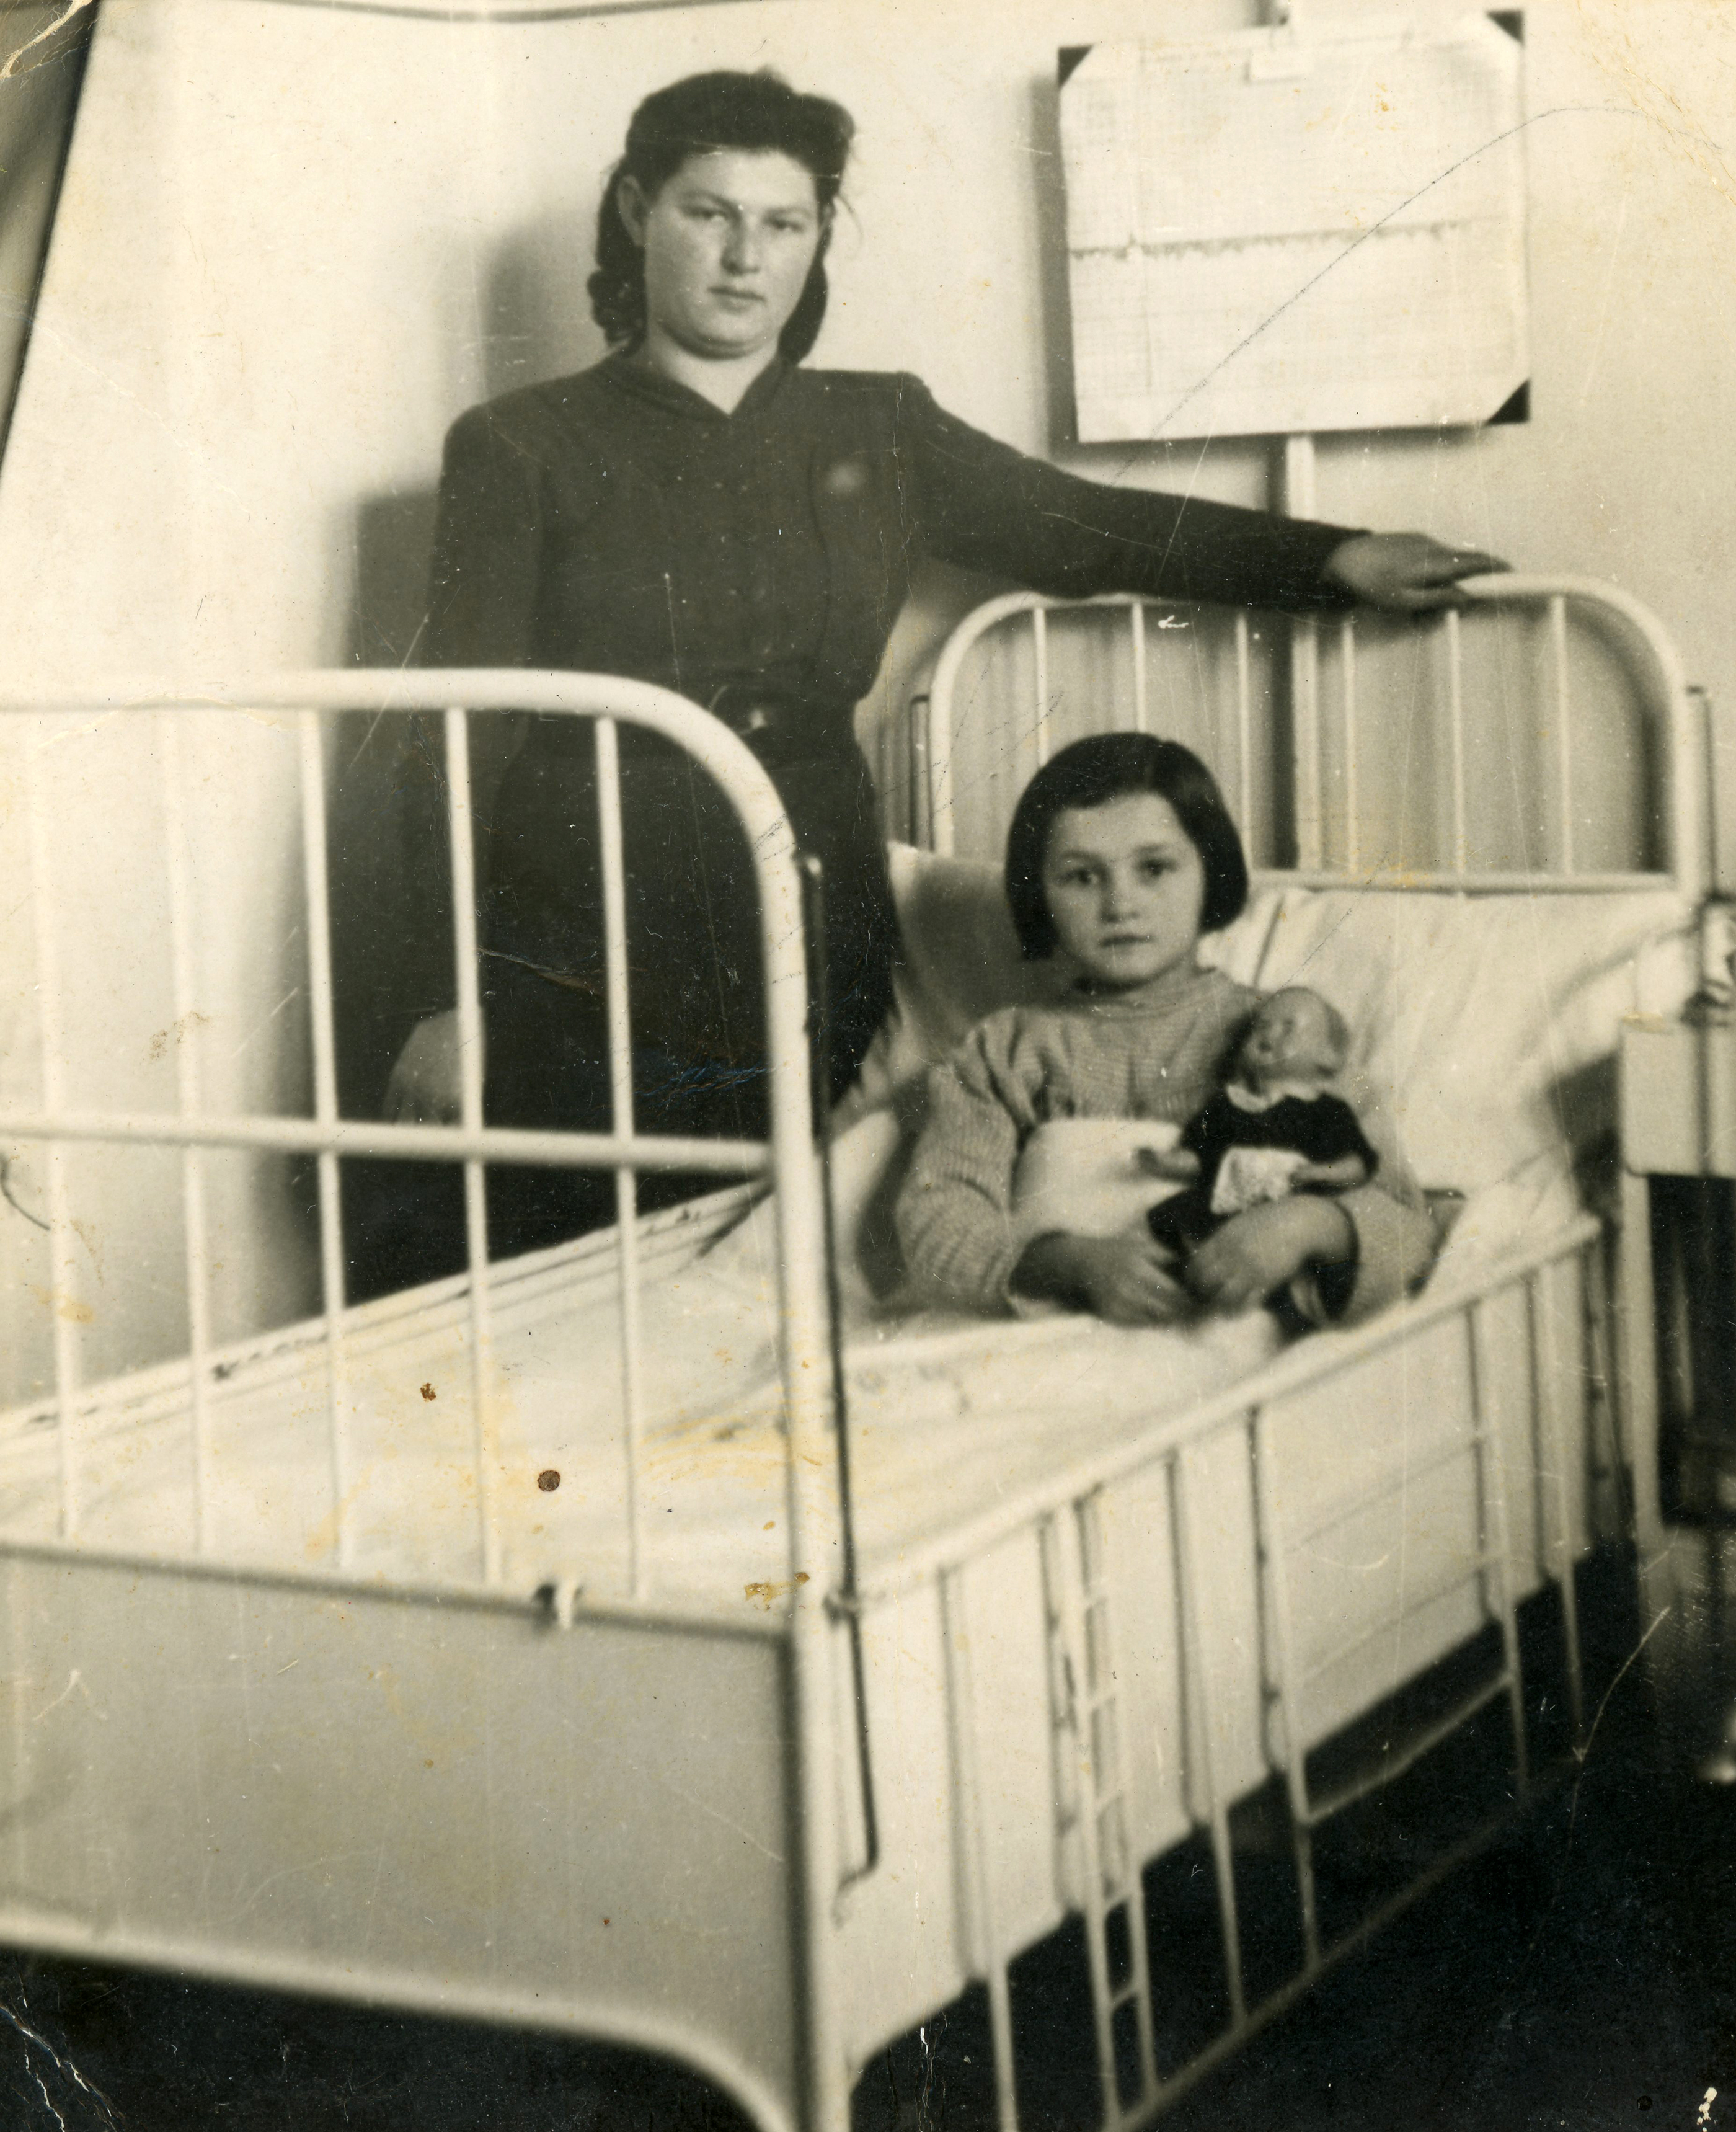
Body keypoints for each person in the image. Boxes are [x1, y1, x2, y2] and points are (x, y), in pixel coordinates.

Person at [377, 66, 1502, 1280]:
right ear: (638, 211)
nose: (745, 257)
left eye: (784, 223)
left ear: (816, 240)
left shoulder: (878, 427)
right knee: (557, 1279)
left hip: (797, 908)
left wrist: (1327, 557)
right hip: (576, 929)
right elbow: (446, 738)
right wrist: (444, 1000)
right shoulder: (518, 445)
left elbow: (1087, 527)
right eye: (708, 213)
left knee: (749, 1276)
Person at [894, 735, 1436, 1326]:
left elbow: (1404, 1217)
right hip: (1053, 1341)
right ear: (1038, 894)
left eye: (1154, 869)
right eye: (1081, 877)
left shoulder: (1283, 1035)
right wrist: (1070, 1263)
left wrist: (1307, 1224)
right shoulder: (1004, 1051)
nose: (1120, 904)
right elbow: (937, 1224)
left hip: (1227, 1351)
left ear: (1211, 872)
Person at [1142, 985, 1378, 1260]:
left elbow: (1360, 1162)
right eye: (1261, 1026)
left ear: (1328, 1055)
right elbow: (1202, 1156)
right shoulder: (1225, 1106)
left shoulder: (1326, 1110)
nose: (1269, 1032)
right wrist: (1166, 1163)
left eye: (1288, 1027)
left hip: (1286, 1213)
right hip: (1221, 1201)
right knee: (1170, 1215)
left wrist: (1325, 1172)